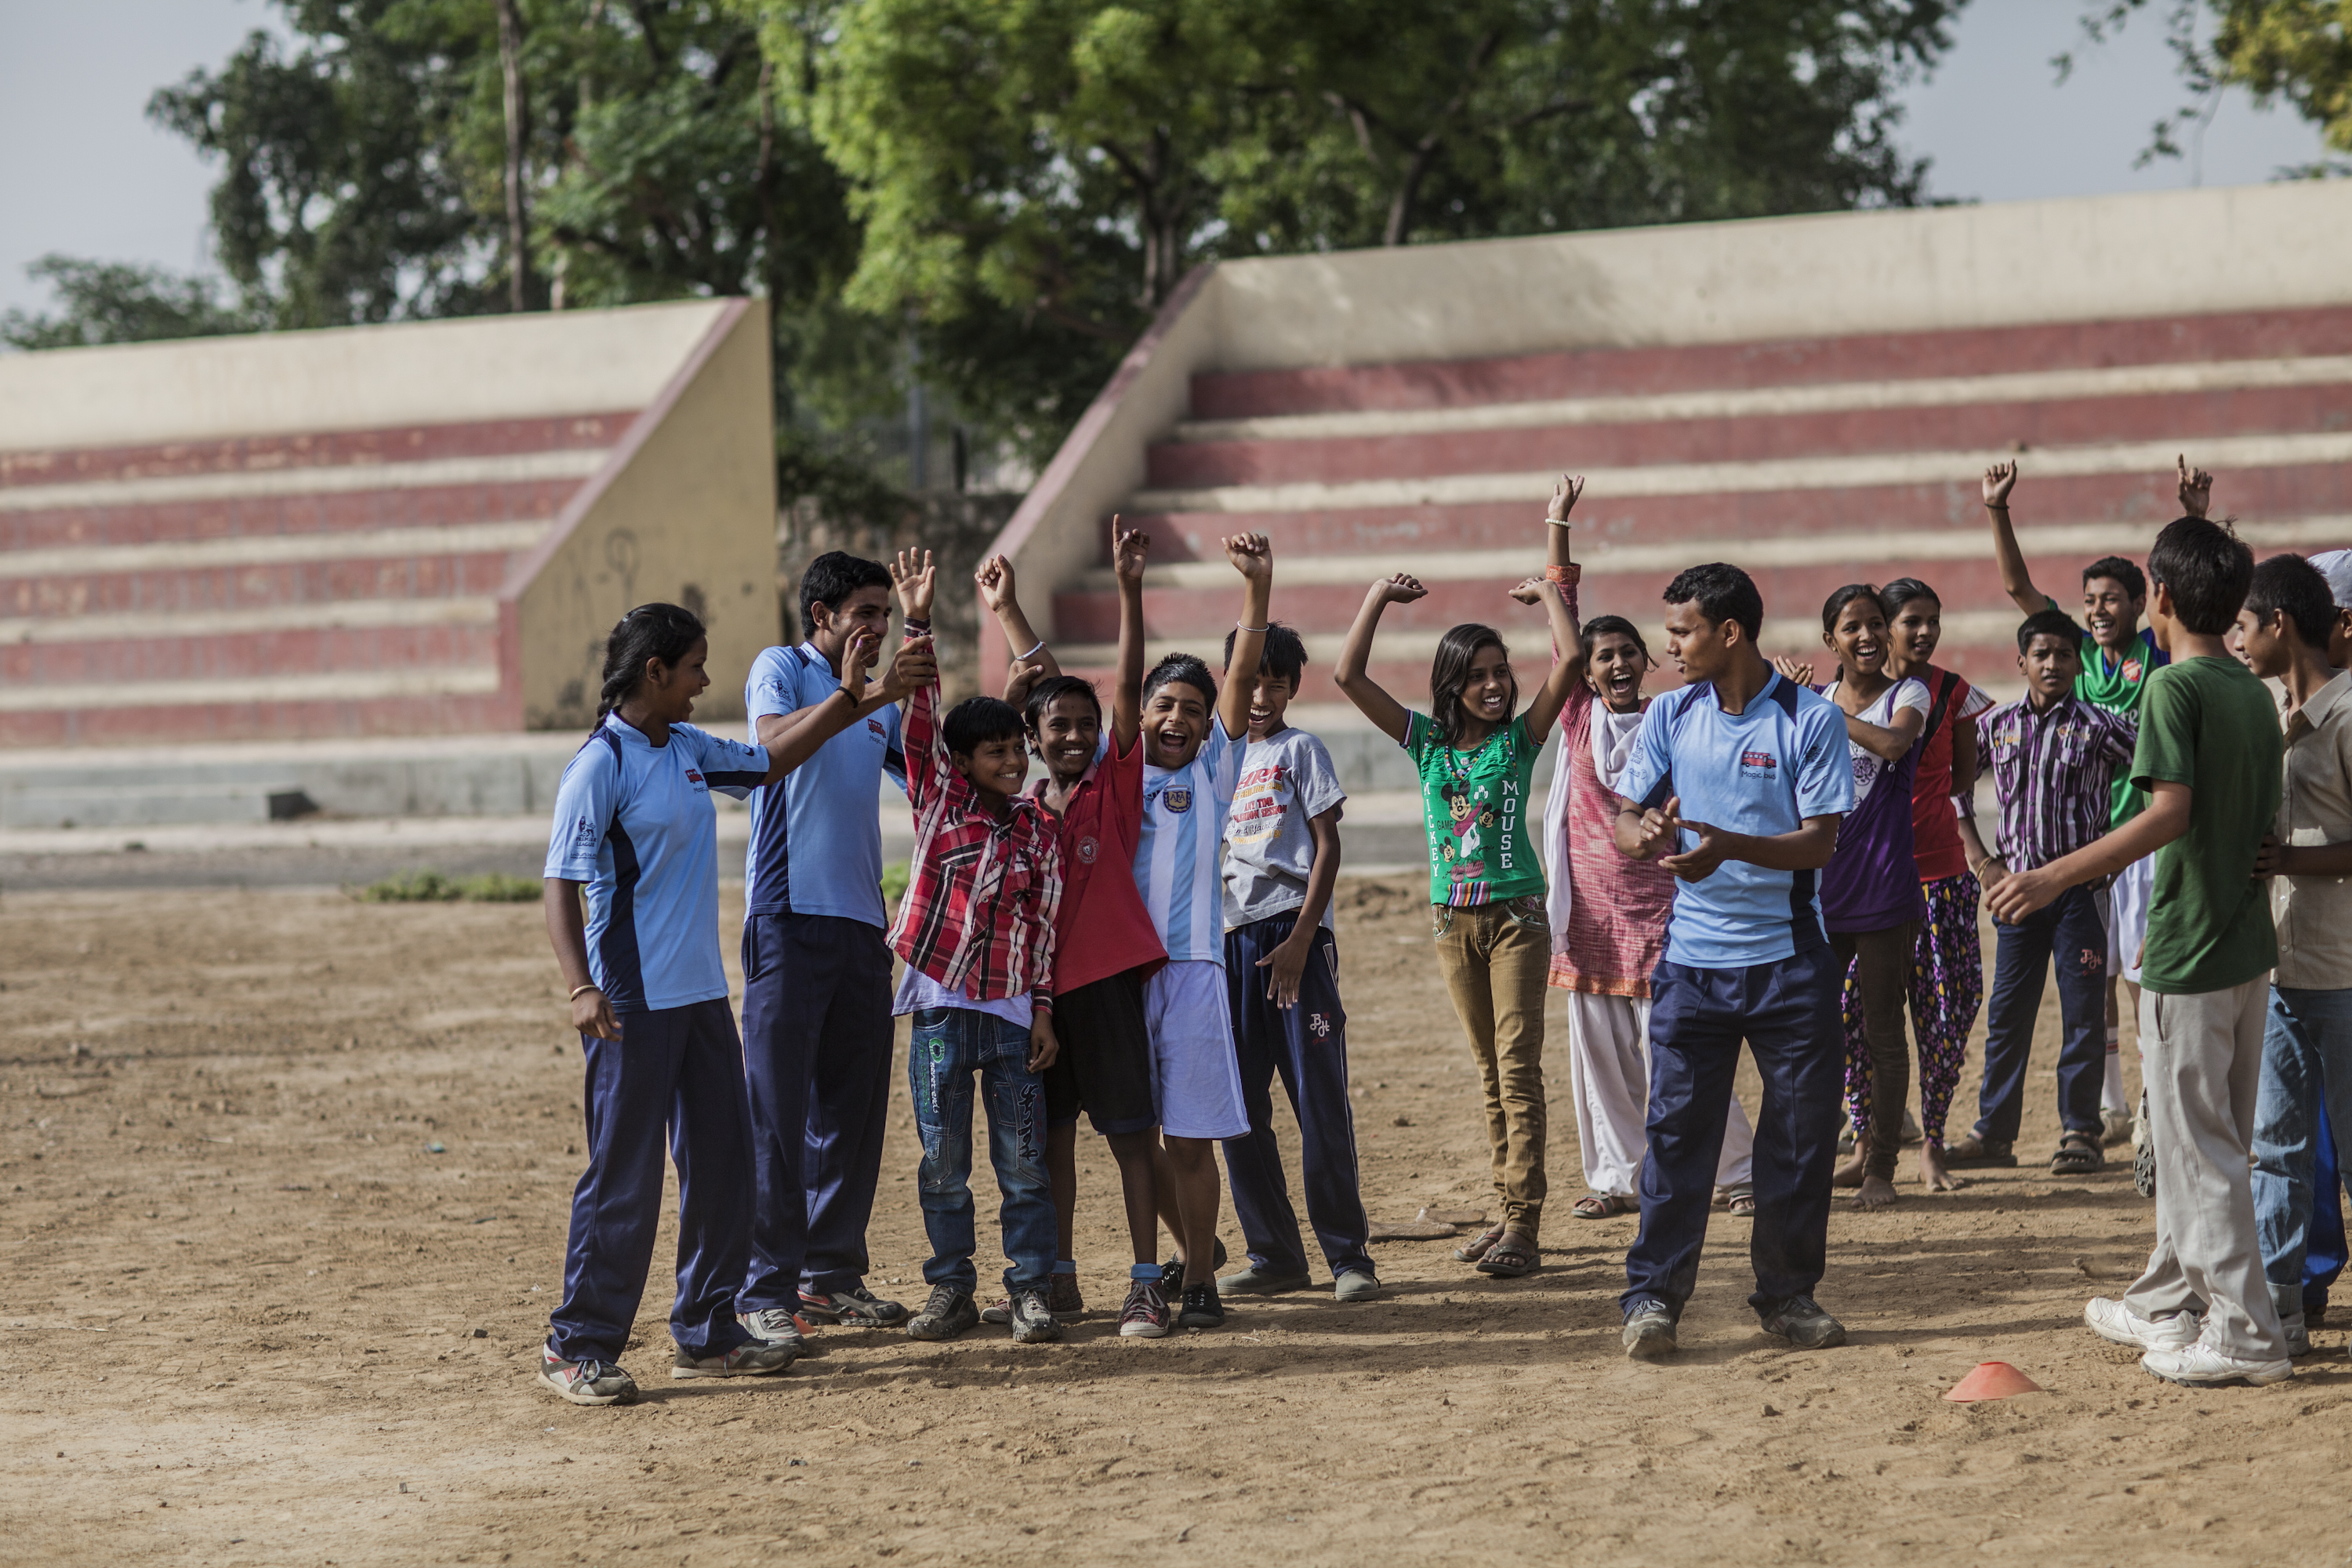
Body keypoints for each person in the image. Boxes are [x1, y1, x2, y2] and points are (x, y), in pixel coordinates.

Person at [537, 601, 928, 1405]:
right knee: (626, 1175)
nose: (705, 682)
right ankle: (577, 1345)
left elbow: (768, 761)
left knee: (723, 1170)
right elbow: (560, 884)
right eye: (694, 668)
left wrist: (860, 695)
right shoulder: (601, 763)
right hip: (631, 1004)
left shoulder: (685, 748)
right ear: (655, 671)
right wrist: (580, 985)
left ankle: (708, 1332)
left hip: (705, 1003)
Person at [1989, 514, 2292, 1388]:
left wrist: (2049, 878)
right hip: (2242, 942)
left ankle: (2244, 1330)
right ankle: (2169, 1294)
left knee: (2199, 1145)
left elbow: (2167, 812)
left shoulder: (2172, 689)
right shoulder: (2247, 686)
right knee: (2208, 1131)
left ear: (2158, 595)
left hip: (2191, 946)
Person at [1334, 482, 1588, 1282]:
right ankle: (1504, 1208)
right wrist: (1377, 594)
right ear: (1452, 683)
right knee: (1488, 1070)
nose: (1494, 684)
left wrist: (1551, 593)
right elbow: (1346, 673)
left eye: (1500, 670)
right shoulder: (1426, 744)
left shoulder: (1520, 740)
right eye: (1477, 674)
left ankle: (1524, 1221)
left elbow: (1573, 659)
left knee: (1516, 1066)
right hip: (1452, 920)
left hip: (1516, 916)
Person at [1613, 562, 1853, 1359]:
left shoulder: (1810, 719)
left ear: (1730, 632)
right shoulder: (1670, 714)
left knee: (1796, 1141)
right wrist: (1643, 834)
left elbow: (1819, 840)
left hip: (1792, 967)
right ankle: (1652, 1299)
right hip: (1692, 967)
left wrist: (1727, 850)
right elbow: (1626, 816)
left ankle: (1787, 1296)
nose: (1668, 646)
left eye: (1681, 631)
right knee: (1677, 1137)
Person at [1527, 479, 1758, 1221]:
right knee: (1603, 1062)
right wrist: (1558, 527)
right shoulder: (1575, 718)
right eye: (1603, 658)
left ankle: (1734, 1172)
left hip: (1667, 912)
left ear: (1650, 662)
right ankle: (1617, 1179)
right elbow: (1561, 618)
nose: (1619, 665)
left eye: (1630, 653)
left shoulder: (1675, 713)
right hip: (1591, 914)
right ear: (1586, 672)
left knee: (1683, 1050)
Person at [978, 537, 1174, 1338]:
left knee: (1131, 1138)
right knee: (1049, 1141)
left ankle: (1146, 1280)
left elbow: (1122, 683)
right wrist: (1005, 614)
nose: (1071, 735)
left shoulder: (1114, 785)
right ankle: (1058, 1278)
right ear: (1033, 736)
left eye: (1084, 726)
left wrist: (1129, 589)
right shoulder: (1022, 811)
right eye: (1056, 726)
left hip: (1110, 987)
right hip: (1041, 1004)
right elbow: (1039, 694)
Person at [1984, 459, 2207, 1142]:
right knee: (2097, 985)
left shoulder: (2155, 650)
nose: (2097, 611)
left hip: (2138, 845)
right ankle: (2111, 1109)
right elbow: (2019, 586)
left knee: (2140, 981)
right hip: (2078, 852)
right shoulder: (2076, 655)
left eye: (2111, 598)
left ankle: (2147, 1108)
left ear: (2142, 604)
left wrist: (2194, 521)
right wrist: (1998, 511)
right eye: (2089, 602)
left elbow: (2195, 600)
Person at [880, 550, 1068, 1345]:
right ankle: (949, 1287)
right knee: (941, 1164)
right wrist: (917, 618)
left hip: (1015, 1018)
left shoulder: (1037, 825)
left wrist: (1047, 1011)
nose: (1012, 762)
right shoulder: (939, 797)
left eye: (1017, 752)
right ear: (960, 763)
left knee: (1024, 1163)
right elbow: (920, 717)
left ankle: (1029, 1289)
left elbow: (1048, 926)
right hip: (938, 1018)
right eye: (995, 753)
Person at [736, 550, 912, 1352]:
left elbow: (937, 776)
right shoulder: (782, 668)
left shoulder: (879, 703)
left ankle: (831, 1274)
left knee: (852, 1112)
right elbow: (771, 747)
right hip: (787, 916)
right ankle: (763, 1288)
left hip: (860, 926)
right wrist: (850, 697)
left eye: (887, 614)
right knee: (775, 1115)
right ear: (823, 617)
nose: (878, 627)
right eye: (866, 612)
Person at [1128, 531, 1276, 1331]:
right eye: (1165, 705)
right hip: (1123, 978)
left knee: (1188, 1138)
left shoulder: (1212, 773)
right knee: (1131, 1133)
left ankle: (1198, 1281)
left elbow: (1244, 675)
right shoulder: (1119, 771)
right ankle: (1191, 1246)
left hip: (1190, 973)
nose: (1179, 718)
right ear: (1142, 713)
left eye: (1193, 706)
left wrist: (1258, 587)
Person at [1214, 617, 1380, 1302]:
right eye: (1248, 680)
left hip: (1294, 940)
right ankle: (1275, 1254)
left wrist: (1304, 938)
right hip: (1229, 945)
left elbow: (1327, 847)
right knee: (1239, 1109)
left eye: (1273, 684)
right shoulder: (1213, 759)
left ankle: (1348, 1257)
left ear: (1290, 689)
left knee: (1318, 1100)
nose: (1259, 695)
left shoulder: (1299, 750)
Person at [1952, 608, 2137, 1175]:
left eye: (2063, 653)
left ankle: (2082, 1130)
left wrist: (2121, 854)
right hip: (2015, 897)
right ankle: (1994, 1132)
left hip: (2081, 894)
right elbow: (1954, 792)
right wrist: (1982, 862)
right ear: (2022, 662)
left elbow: (2163, 775)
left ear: (2077, 662)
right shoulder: (1995, 726)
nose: (2052, 663)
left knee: (2082, 1013)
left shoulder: (2103, 725)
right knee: (2008, 1014)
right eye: (2041, 654)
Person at [2232, 554, 2352, 1357]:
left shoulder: (2345, 717)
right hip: (2283, 967)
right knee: (2276, 1143)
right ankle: (2281, 1315)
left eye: (2245, 624)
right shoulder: (2280, 713)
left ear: (2281, 624)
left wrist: (2289, 862)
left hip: (2344, 970)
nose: (2236, 638)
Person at [1787, 586, 1928, 1212]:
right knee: (1815, 1031)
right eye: (1852, 628)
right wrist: (1790, 707)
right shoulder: (1812, 701)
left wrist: (1810, 709)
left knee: (1883, 1035)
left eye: (1876, 624)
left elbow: (1894, 746)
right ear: (1830, 641)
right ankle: (1841, 1154)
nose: (1867, 636)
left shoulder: (1910, 695)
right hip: (1821, 892)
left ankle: (1882, 1166)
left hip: (1884, 893)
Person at [1876, 578, 1994, 1189]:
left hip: (1942, 879)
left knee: (1945, 1017)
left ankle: (1931, 1145)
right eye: (1911, 621)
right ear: (1883, 626)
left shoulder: (1954, 692)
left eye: (1933, 620)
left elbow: (1962, 782)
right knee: (1858, 1015)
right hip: (1870, 881)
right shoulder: (1846, 694)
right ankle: (1875, 1145)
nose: (1924, 632)